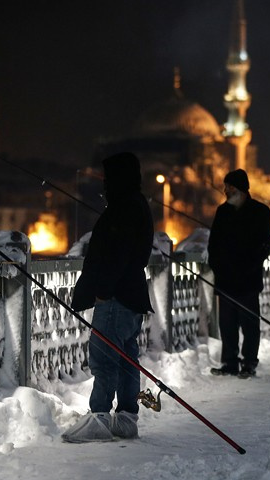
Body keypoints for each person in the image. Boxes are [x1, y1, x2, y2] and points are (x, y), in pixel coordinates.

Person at [62, 152, 154, 443]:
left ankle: (99, 417)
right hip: (132, 294)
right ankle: (127, 418)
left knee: (104, 359)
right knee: (128, 358)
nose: (104, 183)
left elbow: (116, 254)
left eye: (108, 177)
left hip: (115, 297)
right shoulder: (137, 204)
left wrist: (102, 291)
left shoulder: (124, 208)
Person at [208, 169, 270, 378]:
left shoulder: (260, 211)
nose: (225, 190)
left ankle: (249, 362)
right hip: (225, 279)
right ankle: (230, 362)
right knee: (227, 324)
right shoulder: (222, 212)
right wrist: (218, 266)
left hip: (247, 279)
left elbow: (263, 245)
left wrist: (248, 267)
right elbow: (214, 245)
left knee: (249, 323)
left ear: (241, 189)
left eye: (230, 187)